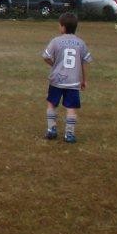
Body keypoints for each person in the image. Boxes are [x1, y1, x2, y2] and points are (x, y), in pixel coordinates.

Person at [42, 12, 92, 143]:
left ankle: (51, 130)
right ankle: (69, 134)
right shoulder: (80, 43)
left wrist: (54, 65)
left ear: (63, 27)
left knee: (51, 103)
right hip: (73, 81)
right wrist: (84, 80)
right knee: (71, 108)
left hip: (57, 80)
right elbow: (84, 62)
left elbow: (46, 56)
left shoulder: (56, 41)